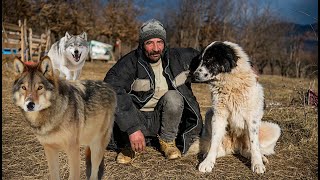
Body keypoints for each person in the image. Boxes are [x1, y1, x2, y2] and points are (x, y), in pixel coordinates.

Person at [104, 19, 203, 164]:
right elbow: (111, 88)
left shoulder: (178, 58)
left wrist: (242, 64)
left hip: (161, 119)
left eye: (160, 42)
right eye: (150, 43)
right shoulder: (129, 63)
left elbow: (207, 58)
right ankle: (128, 145)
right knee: (122, 100)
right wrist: (132, 129)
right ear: (142, 44)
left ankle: (168, 141)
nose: (156, 48)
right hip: (136, 118)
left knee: (174, 96)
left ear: (165, 43)